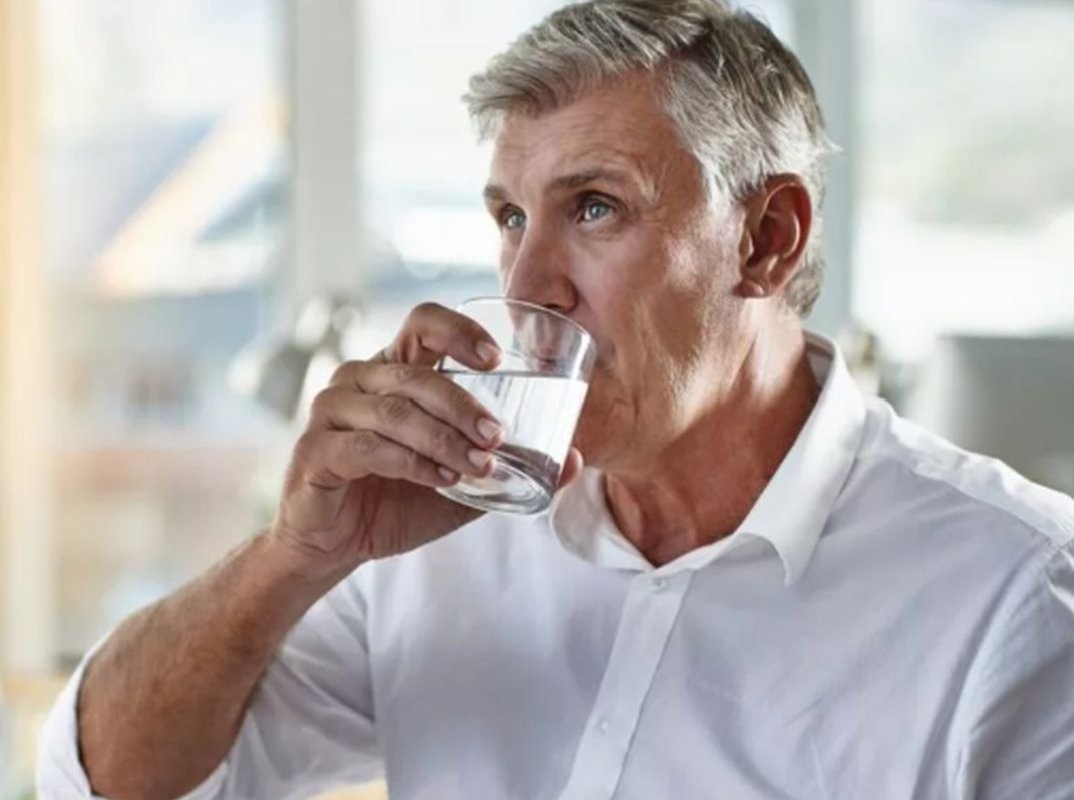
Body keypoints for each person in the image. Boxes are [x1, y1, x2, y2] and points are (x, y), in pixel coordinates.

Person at [38, 1, 1074, 798]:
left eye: (595, 207)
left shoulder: (1019, 602)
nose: (528, 285)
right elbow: (100, 777)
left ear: (767, 240)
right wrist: (291, 555)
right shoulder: (438, 532)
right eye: (507, 215)